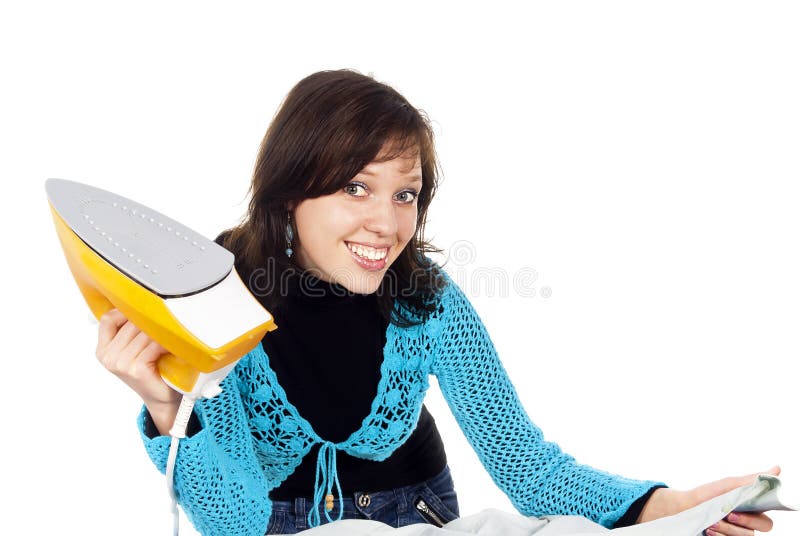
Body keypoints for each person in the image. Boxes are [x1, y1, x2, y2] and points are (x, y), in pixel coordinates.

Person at [95, 69, 779, 536]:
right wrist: (167, 410)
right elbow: (235, 522)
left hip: (413, 513)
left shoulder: (427, 304)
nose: (388, 224)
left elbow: (529, 470)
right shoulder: (214, 304)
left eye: (405, 194)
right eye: (356, 189)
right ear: (289, 193)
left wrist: (667, 508)